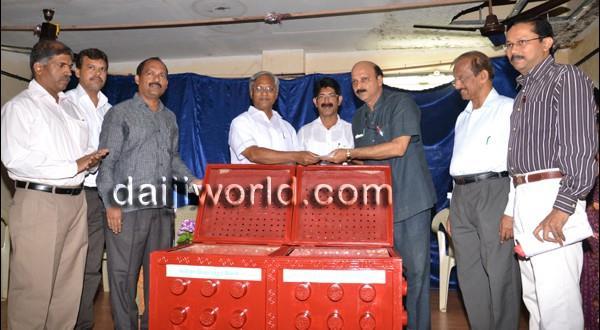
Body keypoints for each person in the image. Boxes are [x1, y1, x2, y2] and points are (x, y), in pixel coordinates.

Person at [0, 40, 108, 329]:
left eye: (69, 66)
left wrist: (90, 159)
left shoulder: (69, 109)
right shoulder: (20, 107)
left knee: (68, 288)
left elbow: (79, 154)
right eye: (61, 65)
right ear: (39, 67)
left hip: (76, 199)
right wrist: (74, 165)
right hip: (40, 201)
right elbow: (16, 160)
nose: (68, 72)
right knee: (35, 288)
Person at [328, 61, 437, 330]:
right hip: (380, 207)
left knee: (416, 274)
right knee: (387, 274)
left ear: (380, 79)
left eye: (365, 78)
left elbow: (399, 148)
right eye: (354, 81)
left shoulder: (402, 103)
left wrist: (350, 154)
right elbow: (367, 163)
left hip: (411, 202)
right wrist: (335, 164)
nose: (359, 85)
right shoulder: (358, 118)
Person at [505, 17, 598, 329]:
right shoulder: (522, 94)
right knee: (535, 300)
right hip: (525, 196)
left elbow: (581, 148)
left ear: (547, 43)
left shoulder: (566, 78)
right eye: (508, 44)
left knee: (558, 302)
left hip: (554, 193)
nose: (513, 50)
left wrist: (563, 207)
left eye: (522, 41)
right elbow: (518, 165)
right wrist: (511, 208)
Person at [97, 57, 201, 330]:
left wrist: (192, 180)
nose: (157, 78)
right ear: (137, 78)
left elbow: (173, 159)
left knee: (159, 278)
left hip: (162, 209)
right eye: (150, 73)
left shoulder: (170, 118)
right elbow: (107, 162)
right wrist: (111, 203)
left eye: (162, 75)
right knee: (123, 278)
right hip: (128, 209)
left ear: (167, 82)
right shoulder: (120, 113)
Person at [448, 51, 521, 329]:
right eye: (455, 79)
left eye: (462, 78)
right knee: (469, 274)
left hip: (495, 191)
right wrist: (454, 208)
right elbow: (459, 163)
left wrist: (511, 210)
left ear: (483, 76)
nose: (457, 85)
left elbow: (517, 163)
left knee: (501, 271)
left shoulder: (508, 108)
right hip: (462, 196)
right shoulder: (462, 117)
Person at [64, 48, 112, 330]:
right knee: (68, 265)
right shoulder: (65, 103)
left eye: (102, 69)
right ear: (77, 71)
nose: (97, 74)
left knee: (91, 265)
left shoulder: (109, 109)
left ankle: (82, 325)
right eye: (91, 68)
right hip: (74, 190)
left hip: (103, 194)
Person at [228, 70, 319, 165]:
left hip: (284, 180)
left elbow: (297, 163)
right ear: (251, 93)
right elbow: (253, 154)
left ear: (276, 94)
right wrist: (296, 156)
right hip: (251, 180)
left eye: (269, 89)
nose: (264, 93)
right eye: (259, 88)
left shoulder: (287, 127)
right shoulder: (241, 122)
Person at [297, 77, 353, 157]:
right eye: (322, 96)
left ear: (339, 100)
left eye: (331, 96)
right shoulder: (304, 132)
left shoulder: (350, 131)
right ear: (315, 102)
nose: (326, 101)